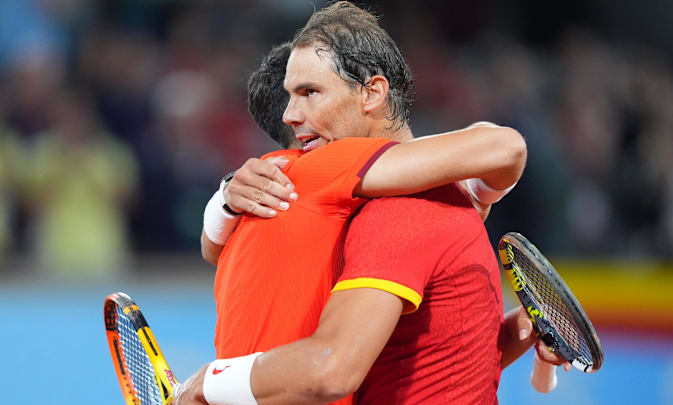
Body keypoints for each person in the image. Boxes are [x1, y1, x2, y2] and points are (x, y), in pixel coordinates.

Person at [179, 2, 562, 404]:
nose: (295, 114)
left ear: (372, 92)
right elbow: (338, 368)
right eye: (293, 97)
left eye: (310, 93)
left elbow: (431, 360)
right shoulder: (394, 202)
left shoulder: (400, 202)